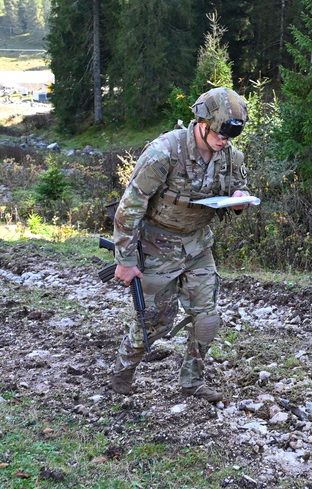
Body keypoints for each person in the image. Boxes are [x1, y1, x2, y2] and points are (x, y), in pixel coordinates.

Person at [109, 86, 251, 403]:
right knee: (156, 323)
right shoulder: (164, 153)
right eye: (219, 133)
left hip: (198, 244)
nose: (223, 141)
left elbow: (237, 189)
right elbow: (129, 207)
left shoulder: (230, 155)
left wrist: (239, 200)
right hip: (157, 243)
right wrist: (126, 260)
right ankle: (122, 371)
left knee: (208, 318)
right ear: (201, 122)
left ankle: (192, 381)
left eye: (230, 136)